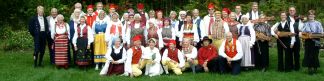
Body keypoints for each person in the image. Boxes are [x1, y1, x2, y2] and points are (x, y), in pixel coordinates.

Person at [301, 10, 323, 75]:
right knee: (308, 54)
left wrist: (314, 35)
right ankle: (309, 68)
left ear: (314, 15)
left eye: (312, 14)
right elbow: (302, 33)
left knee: (315, 54)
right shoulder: (305, 24)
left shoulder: (318, 23)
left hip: (316, 41)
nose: (311, 16)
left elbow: (321, 32)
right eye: (309, 14)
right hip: (308, 41)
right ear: (308, 16)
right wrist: (307, 35)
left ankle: (315, 68)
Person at [287, 6, 303, 71]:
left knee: (297, 53)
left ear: (295, 11)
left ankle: (297, 67)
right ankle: (290, 66)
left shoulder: (298, 19)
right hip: (289, 38)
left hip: (297, 37)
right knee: (289, 53)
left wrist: (300, 32)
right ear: (289, 11)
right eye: (290, 10)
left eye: (293, 10)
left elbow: (301, 28)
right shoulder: (286, 18)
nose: (292, 11)